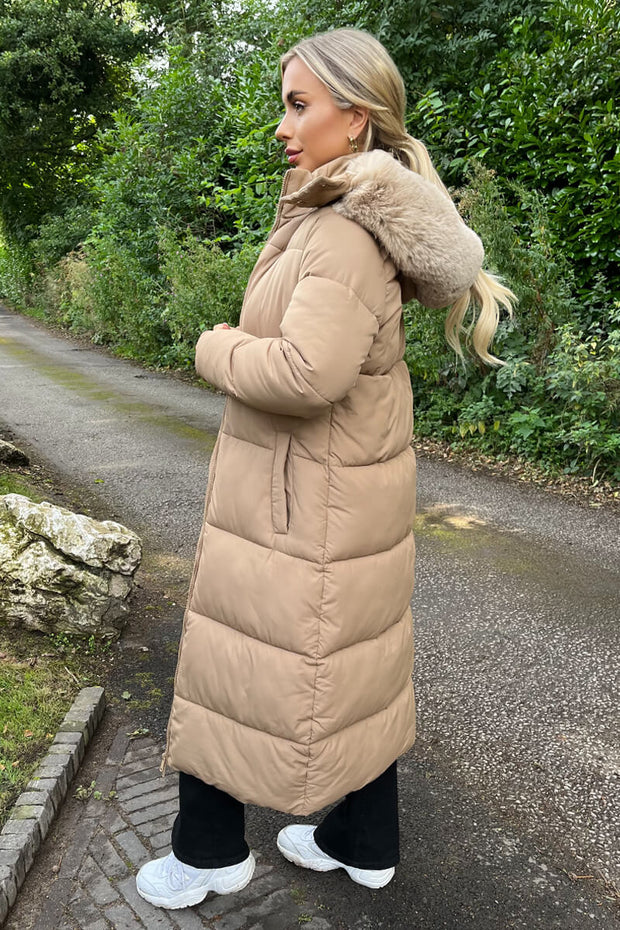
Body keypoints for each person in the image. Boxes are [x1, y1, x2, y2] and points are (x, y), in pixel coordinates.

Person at [136, 27, 513, 910]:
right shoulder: (345, 218)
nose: (282, 126)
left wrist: (214, 347)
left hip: (299, 504)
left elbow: (310, 374)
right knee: (354, 666)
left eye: (299, 105)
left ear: (358, 119)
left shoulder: (341, 233)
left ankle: (207, 854)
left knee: (233, 665)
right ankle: (361, 841)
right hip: (341, 499)